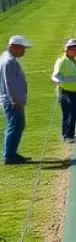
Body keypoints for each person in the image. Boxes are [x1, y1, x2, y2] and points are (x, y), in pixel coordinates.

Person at [52, 38, 76, 143]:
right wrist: (65, 82)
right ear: (68, 49)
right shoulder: (62, 61)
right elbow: (55, 77)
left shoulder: (74, 62)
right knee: (68, 114)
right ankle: (66, 135)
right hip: (65, 92)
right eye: (75, 49)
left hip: (75, 92)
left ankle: (71, 134)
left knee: (75, 113)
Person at [0, 35, 31, 166]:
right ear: (13, 47)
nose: (24, 51)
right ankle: (10, 155)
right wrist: (14, 99)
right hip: (12, 100)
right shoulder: (9, 61)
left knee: (15, 125)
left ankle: (11, 153)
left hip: (10, 98)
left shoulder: (7, 58)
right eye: (22, 48)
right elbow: (9, 82)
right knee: (16, 125)